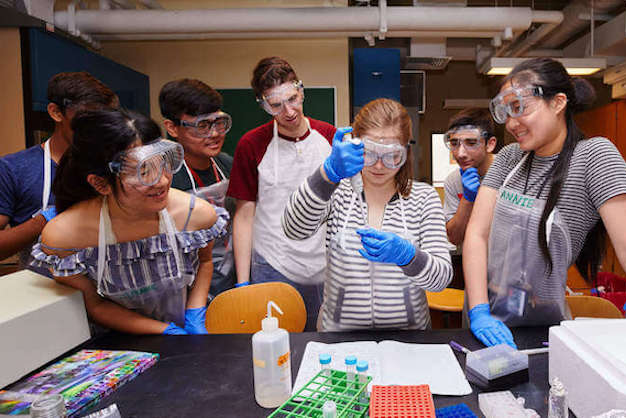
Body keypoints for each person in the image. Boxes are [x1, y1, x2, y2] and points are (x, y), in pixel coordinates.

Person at [462, 57, 626, 348]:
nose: (511, 123)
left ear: (558, 103)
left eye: (519, 108)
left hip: (545, 329)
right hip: (485, 317)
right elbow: (477, 234)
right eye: (506, 112)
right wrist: (479, 311)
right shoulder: (510, 160)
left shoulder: (593, 158)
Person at [30, 109, 228, 335]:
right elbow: (95, 304)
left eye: (163, 163)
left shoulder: (195, 214)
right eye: (144, 171)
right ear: (100, 183)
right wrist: (164, 331)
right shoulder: (65, 236)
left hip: (184, 329)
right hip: (116, 343)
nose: (162, 181)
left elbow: (205, 263)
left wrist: (195, 313)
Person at [282, 98, 453, 331]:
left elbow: (440, 279)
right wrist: (327, 173)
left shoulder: (424, 198)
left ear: (406, 153)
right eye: (369, 153)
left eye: (392, 155)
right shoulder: (336, 192)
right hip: (339, 335)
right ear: (353, 147)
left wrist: (408, 257)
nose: (379, 165)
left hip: (409, 337)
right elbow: (294, 229)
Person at [227, 57, 335, 331]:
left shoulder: (330, 137)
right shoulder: (251, 144)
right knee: (276, 344)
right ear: (263, 105)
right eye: (276, 105)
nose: (289, 111)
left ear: (302, 91)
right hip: (273, 263)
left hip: (324, 264)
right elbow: (244, 214)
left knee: (323, 340)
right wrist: (242, 282)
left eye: (293, 99)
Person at [0, 72, 117, 275]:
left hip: (107, 292)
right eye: (86, 119)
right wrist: (46, 220)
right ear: (56, 112)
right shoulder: (13, 169)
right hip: (45, 295)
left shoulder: (117, 165)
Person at [160, 78, 235, 297]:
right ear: (172, 127)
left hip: (228, 279)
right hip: (182, 287)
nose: (214, 134)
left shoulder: (228, 165)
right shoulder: (163, 176)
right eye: (202, 126)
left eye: (218, 123)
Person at [442, 108, 498, 246]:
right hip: (474, 259)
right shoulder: (454, 181)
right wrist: (467, 200)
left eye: (471, 143)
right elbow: (455, 238)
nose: (460, 153)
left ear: (490, 144)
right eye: (454, 144)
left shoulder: (511, 173)